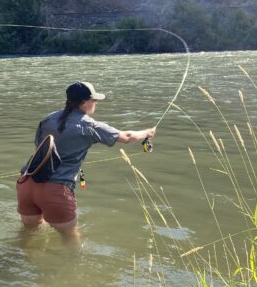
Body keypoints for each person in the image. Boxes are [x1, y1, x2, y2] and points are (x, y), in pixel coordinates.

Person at [16, 81, 156, 246]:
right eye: (94, 100)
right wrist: (148, 132)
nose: (96, 103)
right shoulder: (89, 125)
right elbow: (126, 137)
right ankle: (73, 269)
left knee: (28, 235)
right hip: (55, 190)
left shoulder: (48, 119)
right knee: (70, 238)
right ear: (85, 102)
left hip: (26, 183)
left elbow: (38, 149)